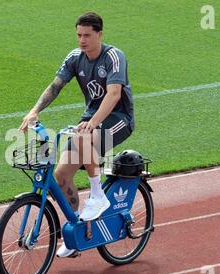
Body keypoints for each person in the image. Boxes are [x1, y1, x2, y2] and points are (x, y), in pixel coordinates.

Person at [19, 12, 134, 257]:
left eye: (87, 35)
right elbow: (55, 86)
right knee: (60, 177)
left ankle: (98, 195)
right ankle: (79, 232)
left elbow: (113, 95)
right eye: (78, 35)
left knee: (82, 137)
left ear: (100, 34)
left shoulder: (114, 56)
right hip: (90, 121)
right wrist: (34, 111)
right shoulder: (75, 58)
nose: (82, 40)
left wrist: (91, 123)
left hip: (118, 119)